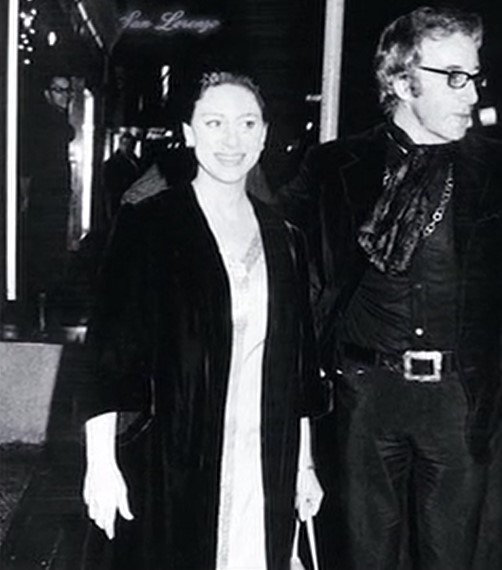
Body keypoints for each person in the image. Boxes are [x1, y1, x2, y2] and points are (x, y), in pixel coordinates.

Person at [274, 7, 502, 570]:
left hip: (458, 400)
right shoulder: (338, 166)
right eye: (454, 77)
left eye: (474, 76)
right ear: (401, 82)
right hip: (366, 397)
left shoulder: (495, 169)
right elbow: (281, 255)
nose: (472, 93)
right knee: (366, 556)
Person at [80, 71, 326, 570]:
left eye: (246, 124)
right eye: (214, 123)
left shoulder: (286, 238)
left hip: (265, 454)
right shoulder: (149, 224)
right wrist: (100, 464)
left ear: (263, 135)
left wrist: (304, 464)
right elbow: (110, 355)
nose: (231, 140)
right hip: (173, 453)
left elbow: (299, 365)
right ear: (189, 134)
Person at [19, 74, 75, 332]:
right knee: (45, 256)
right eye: (58, 91)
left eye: (66, 91)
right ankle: (41, 313)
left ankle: (39, 313)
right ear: (47, 93)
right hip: (46, 198)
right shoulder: (48, 124)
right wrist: (27, 195)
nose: (64, 96)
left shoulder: (54, 122)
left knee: (47, 257)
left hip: (52, 197)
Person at [102, 131, 142, 231]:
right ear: (120, 145)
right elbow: (110, 187)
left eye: (131, 145)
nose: (128, 147)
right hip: (119, 204)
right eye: (125, 144)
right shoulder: (112, 164)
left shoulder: (136, 161)